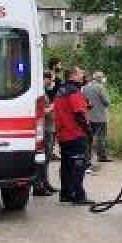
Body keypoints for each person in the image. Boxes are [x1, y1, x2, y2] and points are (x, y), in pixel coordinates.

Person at [52, 67, 92, 205]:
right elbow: (79, 114)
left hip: (63, 134)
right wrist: (87, 130)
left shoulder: (60, 91)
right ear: (73, 76)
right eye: (81, 73)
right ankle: (78, 195)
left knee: (66, 165)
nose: (83, 76)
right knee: (78, 165)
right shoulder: (74, 92)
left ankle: (66, 193)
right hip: (75, 134)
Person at [32, 71, 58, 196]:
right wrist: (53, 107)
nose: (52, 83)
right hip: (46, 129)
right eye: (51, 80)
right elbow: (41, 112)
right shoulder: (40, 93)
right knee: (43, 159)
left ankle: (45, 183)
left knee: (46, 159)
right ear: (44, 79)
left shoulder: (45, 92)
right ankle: (39, 185)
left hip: (50, 128)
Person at [82, 71, 111, 164]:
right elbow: (106, 101)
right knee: (101, 137)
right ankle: (102, 155)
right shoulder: (100, 87)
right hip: (100, 117)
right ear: (100, 78)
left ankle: (88, 156)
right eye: (103, 77)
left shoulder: (84, 87)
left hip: (88, 117)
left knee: (88, 138)